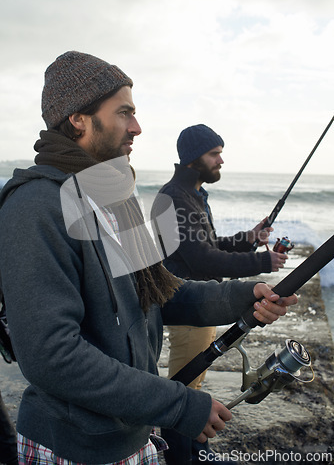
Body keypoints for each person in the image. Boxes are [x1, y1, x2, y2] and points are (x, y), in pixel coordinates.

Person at [0, 51, 297, 465]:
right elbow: (52, 356)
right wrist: (178, 405)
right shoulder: (35, 207)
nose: (137, 127)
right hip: (72, 450)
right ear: (78, 119)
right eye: (124, 113)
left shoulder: (112, 193)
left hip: (135, 437)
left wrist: (244, 295)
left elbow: (160, 294)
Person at [156, 124, 288, 463]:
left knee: (189, 388)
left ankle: (188, 453)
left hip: (201, 305)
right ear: (192, 158)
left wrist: (249, 237)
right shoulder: (174, 198)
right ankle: (182, 457)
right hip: (189, 307)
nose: (221, 160)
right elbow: (201, 259)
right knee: (185, 391)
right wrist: (262, 260)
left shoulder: (191, 194)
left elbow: (208, 246)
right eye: (214, 153)